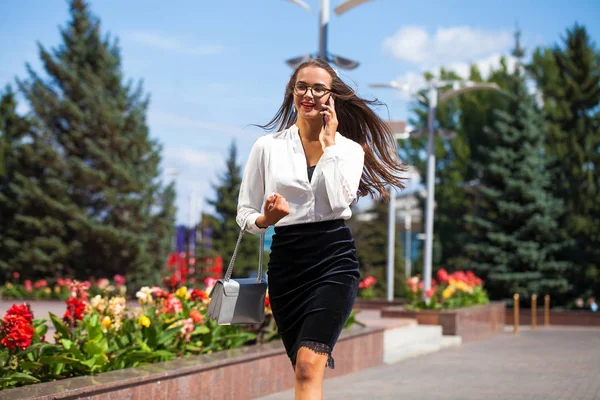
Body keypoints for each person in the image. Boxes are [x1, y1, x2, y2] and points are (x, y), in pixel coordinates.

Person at [236, 58, 406, 399]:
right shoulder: (266, 147)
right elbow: (244, 213)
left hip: (334, 260)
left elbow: (338, 199)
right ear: (292, 91)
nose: (309, 94)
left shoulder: (349, 150)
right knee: (302, 369)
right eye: (302, 86)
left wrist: (329, 147)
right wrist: (266, 221)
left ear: (332, 97)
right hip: (287, 264)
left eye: (318, 88)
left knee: (308, 366)